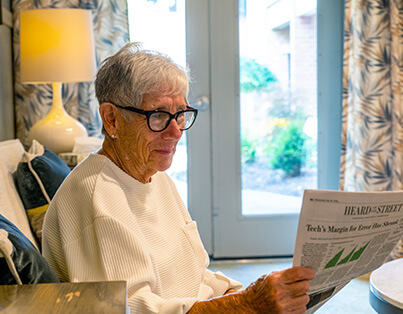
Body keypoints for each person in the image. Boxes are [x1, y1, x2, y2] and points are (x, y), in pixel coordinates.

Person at [42, 42, 315, 313]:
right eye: (158, 116)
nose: (176, 132)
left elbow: (197, 273)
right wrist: (247, 305)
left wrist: (236, 291)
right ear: (111, 119)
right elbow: (134, 310)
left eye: (180, 114)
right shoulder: (98, 198)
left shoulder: (155, 177)